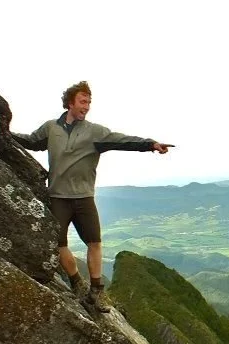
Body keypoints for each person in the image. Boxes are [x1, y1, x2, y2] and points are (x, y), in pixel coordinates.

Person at [12, 81, 172, 311]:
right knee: (58, 244)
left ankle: (96, 292)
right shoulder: (50, 128)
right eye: (82, 101)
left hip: (84, 197)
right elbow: (31, 141)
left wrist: (150, 144)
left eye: (89, 102)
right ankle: (77, 282)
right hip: (58, 196)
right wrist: (2, 133)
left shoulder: (94, 132)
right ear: (70, 102)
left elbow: (122, 140)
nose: (86, 106)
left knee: (94, 243)